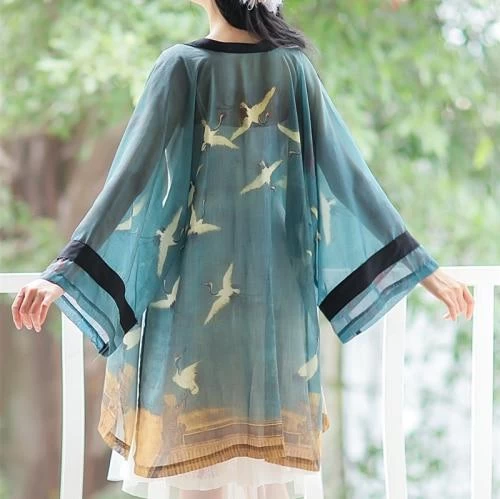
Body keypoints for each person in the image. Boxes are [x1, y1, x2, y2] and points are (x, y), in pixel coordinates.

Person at [11, 0, 474, 497]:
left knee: (196, 472)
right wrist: (423, 268)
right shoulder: (290, 67)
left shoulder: (183, 67)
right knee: (269, 478)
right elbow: (349, 178)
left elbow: (128, 182)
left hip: (190, 302)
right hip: (274, 303)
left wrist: (64, 271)